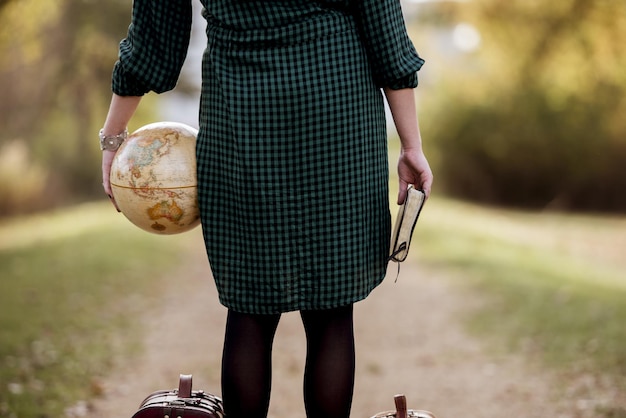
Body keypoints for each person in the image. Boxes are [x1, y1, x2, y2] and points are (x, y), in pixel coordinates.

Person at [100, 1, 433, 417]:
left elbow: (153, 42)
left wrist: (113, 138)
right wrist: (411, 145)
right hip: (335, 106)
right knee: (332, 313)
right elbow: (385, 29)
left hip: (240, 113)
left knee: (249, 308)